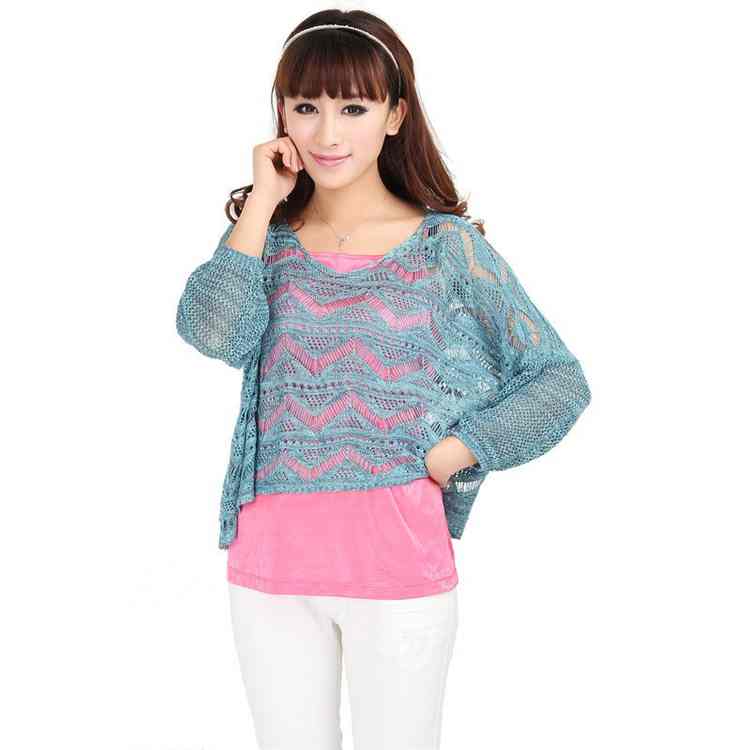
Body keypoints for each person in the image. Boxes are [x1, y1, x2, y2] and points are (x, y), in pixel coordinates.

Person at [175, 9, 592, 750]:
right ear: (281, 115)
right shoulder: (266, 241)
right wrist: (262, 201)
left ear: (395, 116)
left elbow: (556, 379)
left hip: (399, 570)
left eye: (353, 108)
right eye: (306, 106)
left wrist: (456, 452)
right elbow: (214, 334)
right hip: (270, 569)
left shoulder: (445, 248)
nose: (326, 132)